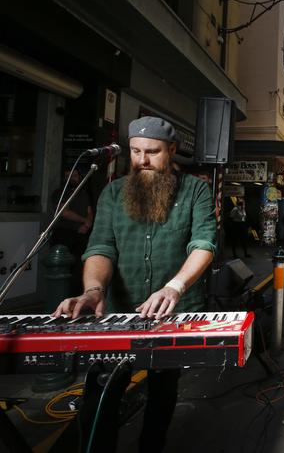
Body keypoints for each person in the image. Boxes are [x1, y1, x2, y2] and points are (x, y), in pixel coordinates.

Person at [53, 116, 217, 453]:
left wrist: (175, 286)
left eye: (153, 152)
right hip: (117, 311)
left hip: (173, 312)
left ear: (172, 150)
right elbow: (100, 247)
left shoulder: (196, 190)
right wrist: (94, 290)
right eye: (136, 151)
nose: (142, 160)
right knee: (102, 392)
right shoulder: (113, 193)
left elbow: (203, 243)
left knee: (162, 391)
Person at [51, 168, 94, 291]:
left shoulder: (84, 193)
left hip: (81, 234)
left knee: (79, 267)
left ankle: (76, 296)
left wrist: (87, 224)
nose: (72, 178)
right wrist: (84, 221)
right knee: (63, 268)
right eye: (68, 176)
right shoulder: (60, 192)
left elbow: (89, 211)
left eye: (74, 175)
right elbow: (64, 212)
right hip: (63, 234)